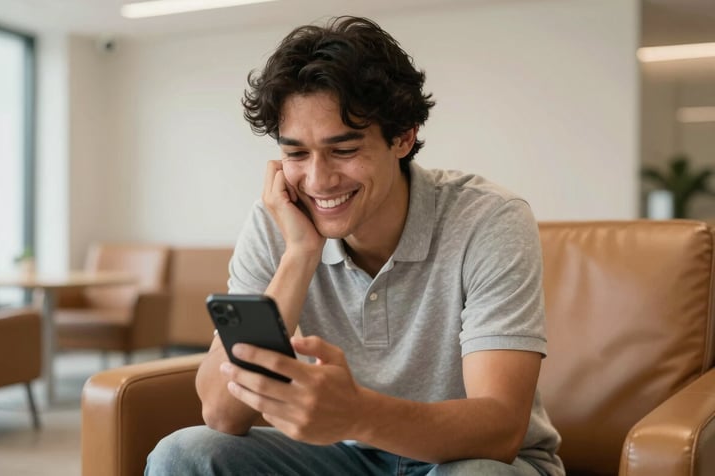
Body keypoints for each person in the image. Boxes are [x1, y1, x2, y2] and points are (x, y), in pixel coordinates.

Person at [146, 15, 565, 475]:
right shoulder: (275, 221)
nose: (318, 180)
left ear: (403, 137)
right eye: (296, 153)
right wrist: (300, 255)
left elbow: (500, 429)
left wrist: (357, 414)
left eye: (343, 151)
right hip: (345, 457)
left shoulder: (488, 219)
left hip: (466, 459)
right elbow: (223, 413)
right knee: (183, 455)